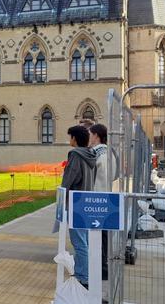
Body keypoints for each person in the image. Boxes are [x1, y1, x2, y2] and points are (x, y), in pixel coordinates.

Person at [61, 125, 97, 288]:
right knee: (84, 240)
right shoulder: (91, 154)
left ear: (75, 138)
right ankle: (84, 273)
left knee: (79, 242)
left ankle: (83, 278)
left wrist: (62, 195)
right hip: (86, 200)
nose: (70, 140)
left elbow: (69, 179)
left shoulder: (75, 155)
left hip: (75, 202)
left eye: (70, 137)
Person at [89, 123, 114, 282]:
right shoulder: (110, 153)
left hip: (96, 199)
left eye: (90, 134)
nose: (89, 137)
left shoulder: (97, 155)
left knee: (98, 236)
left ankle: (101, 268)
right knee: (103, 235)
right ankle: (102, 266)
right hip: (106, 198)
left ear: (96, 135)